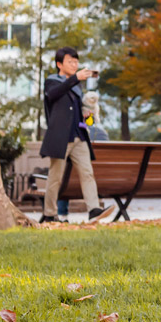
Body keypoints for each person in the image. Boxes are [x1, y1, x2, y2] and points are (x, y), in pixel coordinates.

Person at [41, 47, 113, 223]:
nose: (74, 65)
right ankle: (50, 214)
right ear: (59, 64)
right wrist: (75, 78)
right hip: (60, 138)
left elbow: (85, 120)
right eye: (70, 62)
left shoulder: (77, 87)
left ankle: (94, 210)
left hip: (79, 137)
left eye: (76, 62)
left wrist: (88, 117)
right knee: (55, 176)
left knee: (87, 173)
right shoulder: (52, 81)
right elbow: (53, 95)